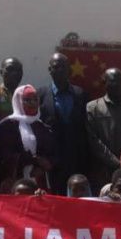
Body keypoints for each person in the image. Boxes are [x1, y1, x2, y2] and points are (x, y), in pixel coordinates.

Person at [86, 68, 121, 192]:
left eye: (120, 81)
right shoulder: (93, 108)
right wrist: (116, 163)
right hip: (102, 171)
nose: (117, 85)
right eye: (112, 81)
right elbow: (93, 140)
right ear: (104, 83)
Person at [39, 53, 90, 195]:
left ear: (69, 70)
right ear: (50, 70)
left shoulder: (81, 94)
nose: (60, 70)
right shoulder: (41, 94)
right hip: (52, 161)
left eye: (64, 67)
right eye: (56, 67)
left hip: (77, 158)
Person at [0, 85, 57, 193]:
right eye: (27, 100)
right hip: (17, 182)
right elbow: (7, 155)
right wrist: (34, 160)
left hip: (40, 183)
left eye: (35, 99)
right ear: (18, 101)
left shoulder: (42, 126)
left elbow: (52, 152)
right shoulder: (8, 125)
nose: (33, 103)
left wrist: (45, 165)